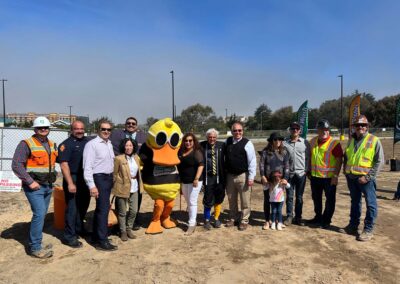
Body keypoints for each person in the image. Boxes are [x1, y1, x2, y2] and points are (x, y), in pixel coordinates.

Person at [12, 116, 57, 258]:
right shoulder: (26, 144)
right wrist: (30, 181)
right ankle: (35, 247)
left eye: (46, 127)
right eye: (40, 127)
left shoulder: (51, 144)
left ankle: (36, 241)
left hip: (48, 186)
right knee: (39, 213)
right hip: (34, 187)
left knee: (41, 215)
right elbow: (16, 165)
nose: (43, 129)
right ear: (35, 129)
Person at [341, 115, 384, 241]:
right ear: (354, 127)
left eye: (363, 125)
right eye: (358, 125)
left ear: (367, 127)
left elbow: (380, 161)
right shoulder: (351, 140)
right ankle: (353, 226)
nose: (360, 127)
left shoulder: (374, 140)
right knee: (355, 202)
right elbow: (347, 157)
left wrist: (368, 177)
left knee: (371, 204)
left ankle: (368, 229)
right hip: (352, 178)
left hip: (366, 179)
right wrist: (346, 172)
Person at [83, 119, 117, 251]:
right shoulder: (92, 145)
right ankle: (102, 241)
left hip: (108, 179)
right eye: (104, 129)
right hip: (99, 179)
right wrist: (92, 185)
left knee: (101, 209)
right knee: (103, 210)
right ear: (98, 130)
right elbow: (87, 167)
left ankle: (96, 237)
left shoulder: (109, 144)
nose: (106, 132)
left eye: (109, 129)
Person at [58, 120, 90, 248]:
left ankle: (79, 229)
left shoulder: (88, 142)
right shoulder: (66, 145)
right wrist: (70, 183)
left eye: (82, 128)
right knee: (72, 208)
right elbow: (64, 165)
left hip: (85, 179)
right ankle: (69, 236)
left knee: (83, 205)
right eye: (77, 129)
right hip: (73, 178)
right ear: (72, 130)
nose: (80, 131)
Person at [110, 116, 146, 230]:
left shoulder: (143, 137)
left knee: (136, 200)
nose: (131, 125)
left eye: (133, 123)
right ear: (125, 124)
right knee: (120, 200)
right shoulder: (116, 135)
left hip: (137, 173)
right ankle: (119, 224)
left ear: (137, 126)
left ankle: (133, 221)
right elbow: (113, 149)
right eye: (128, 123)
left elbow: (146, 152)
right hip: (121, 172)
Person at [308, 119, 343, 229]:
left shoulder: (334, 143)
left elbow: (339, 160)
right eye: (322, 129)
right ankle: (318, 217)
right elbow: (310, 157)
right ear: (317, 130)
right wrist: (309, 171)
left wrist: (335, 176)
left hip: (329, 178)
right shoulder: (312, 141)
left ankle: (326, 220)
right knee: (316, 198)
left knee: (330, 200)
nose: (325, 131)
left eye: (327, 129)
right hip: (315, 177)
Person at [225, 122, 257, 231]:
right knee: (231, 199)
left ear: (242, 131)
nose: (237, 132)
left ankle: (244, 220)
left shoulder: (247, 143)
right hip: (230, 176)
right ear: (232, 131)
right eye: (235, 130)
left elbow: (252, 161)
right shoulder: (227, 141)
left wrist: (251, 177)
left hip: (243, 175)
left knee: (245, 200)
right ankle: (233, 218)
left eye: (240, 130)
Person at [112, 138, 144, 241]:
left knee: (134, 210)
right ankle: (123, 231)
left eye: (130, 145)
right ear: (123, 147)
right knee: (122, 212)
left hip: (134, 186)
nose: (128, 147)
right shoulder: (118, 158)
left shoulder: (136, 158)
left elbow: (138, 172)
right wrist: (116, 186)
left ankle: (129, 228)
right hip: (122, 187)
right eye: (126, 145)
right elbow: (114, 174)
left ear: (134, 146)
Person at [259, 132, 289, 230]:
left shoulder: (284, 152)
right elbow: (262, 165)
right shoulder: (265, 152)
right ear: (271, 141)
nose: (277, 141)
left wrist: (285, 178)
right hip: (268, 181)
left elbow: (287, 167)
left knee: (278, 201)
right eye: (275, 139)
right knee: (267, 201)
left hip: (279, 182)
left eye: (279, 139)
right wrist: (263, 176)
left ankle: (277, 220)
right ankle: (267, 221)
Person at [283, 122, 310, 226]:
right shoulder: (285, 143)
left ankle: (298, 217)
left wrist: (306, 170)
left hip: (301, 174)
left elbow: (308, 157)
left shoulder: (305, 143)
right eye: (293, 128)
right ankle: (289, 216)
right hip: (289, 174)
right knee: (289, 197)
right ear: (290, 130)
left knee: (299, 197)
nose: (294, 130)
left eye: (296, 129)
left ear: (299, 131)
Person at [177, 133, 204, 235]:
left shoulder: (197, 152)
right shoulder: (180, 152)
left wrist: (196, 178)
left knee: (192, 202)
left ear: (194, 142)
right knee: (188, 202)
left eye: (190, 141)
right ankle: (192, 219)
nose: (188, 142)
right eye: (186, 141)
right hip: (184, 181)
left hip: (195, 181)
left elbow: (201, 165)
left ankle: (191, 224)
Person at [200, 128, 226, 230]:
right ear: (207, 137)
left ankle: (216, 218)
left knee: (218, 199)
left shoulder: (222, 145)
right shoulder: (202, 146)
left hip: (219, 177)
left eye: (214, 137)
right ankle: (206, 220)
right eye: (210, 137)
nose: (212, 139)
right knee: (208, 199)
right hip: (208, 178)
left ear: (217, 137)